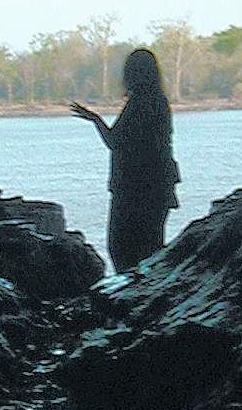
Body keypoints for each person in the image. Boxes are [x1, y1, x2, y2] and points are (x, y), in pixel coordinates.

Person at [71, 47, 180, 272]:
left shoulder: (139, 104)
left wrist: (95, 120)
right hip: (157, 185)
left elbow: (116, 142)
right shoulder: (158, 101)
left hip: (134, 188)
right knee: (150, 247)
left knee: (122, 248)